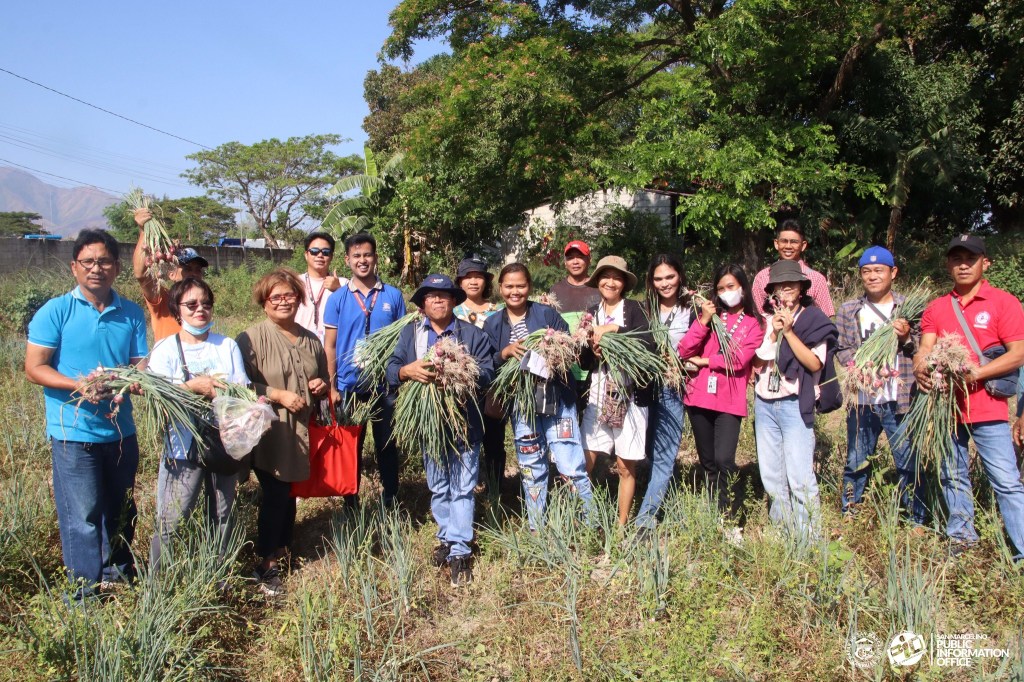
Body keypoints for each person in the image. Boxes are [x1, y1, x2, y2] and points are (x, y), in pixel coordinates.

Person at [25, 229, 148, 599]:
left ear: (116, 267)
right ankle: (83, 591)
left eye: (105, 261)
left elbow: (139, 364)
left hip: (120, 432)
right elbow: (35, 368)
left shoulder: (131, 313)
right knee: (81, 517)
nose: (97, 268)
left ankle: (118, 573)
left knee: (121, 508)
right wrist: (78, 385)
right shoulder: (55, 311)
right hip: (73, 432)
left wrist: (134, 381)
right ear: (74, 267)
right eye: (89, 262)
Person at [915, 235, 1024, 560]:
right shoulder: (937, 307)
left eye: (970, 258)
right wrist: (921, 367)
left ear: (984, 263)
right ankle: (962, 542)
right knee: (952, 475)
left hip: (988, 408)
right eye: (956, 258)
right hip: (947, 409)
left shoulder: (1004, 303)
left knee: (1006, 480)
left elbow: (1018, 354)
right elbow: (925, 347)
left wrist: (976, 373)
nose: (963, 264)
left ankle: (1021, 550)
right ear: (948, 264)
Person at [386, 274, 495, 586]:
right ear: (422, 303)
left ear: (454, 301)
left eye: (444, 295)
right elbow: (392, 368)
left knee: (462, 488)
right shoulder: (411, 334)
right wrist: (406, 371)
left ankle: (460, 550)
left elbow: (488, 372)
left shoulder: (471, 335)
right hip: (429, 426)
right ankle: (447, 538)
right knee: (439, 486)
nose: (437, 300)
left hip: (464, 425)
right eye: (431, 296)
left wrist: (461, 372)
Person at [237, 268, 330, 595]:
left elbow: (323, 381)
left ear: (299, 299)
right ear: (264, 303)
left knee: (288, 492)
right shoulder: (250, 339)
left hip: (301, 432)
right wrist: (277, 394)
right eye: (275, 297)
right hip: (269, 431)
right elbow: (240, 385)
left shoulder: (310, 339)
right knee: (276, 494)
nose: (283, 301)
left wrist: (320, 386)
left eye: (289, 295)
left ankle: (282, 548)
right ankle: (266, 562)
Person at [147, 278, 249, 566]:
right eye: (191, 305)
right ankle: (158, 580)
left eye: (205, 303)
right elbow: (158, 397)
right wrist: (193, 387)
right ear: (178, 311)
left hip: (222, 443)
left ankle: (216, 575)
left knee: (222, 514)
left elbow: (240, 390)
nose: (199, 310)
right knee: (173, 517)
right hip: (182, 446)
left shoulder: (226, 345)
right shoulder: (166, 349)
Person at [484, 263, 593, 529]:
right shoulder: (493, 323)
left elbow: (568, 349)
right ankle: (537, 526)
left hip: (558, 401)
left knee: (570, 464)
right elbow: (486, 363)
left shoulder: (546, 314)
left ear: (529, 286)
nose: (515, 291)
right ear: (500, 289)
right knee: (532, 467)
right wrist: (504, 353)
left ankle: (589, 522)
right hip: (522, 405)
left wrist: (551, 350)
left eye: (520, 285)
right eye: (509, 286)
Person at [835, 246, 926, 527]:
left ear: (893, 272)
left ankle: (915, 519)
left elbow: (924, 349)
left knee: (908, 461)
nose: (872, 276)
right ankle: (851, 512)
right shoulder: (849, 309)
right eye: (866, 271)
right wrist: (858, 368)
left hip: (901, 399)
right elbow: (842, 348)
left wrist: (908, 338)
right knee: (856, 460)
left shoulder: (908, 309)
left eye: (878, 270)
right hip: (863, 400)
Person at [752, 260, 838, 540]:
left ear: (802, 287)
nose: (786, 288)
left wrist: (789, 332)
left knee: (800, 477)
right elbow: (757, 361)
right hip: (765, 403)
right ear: (772, 289)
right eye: (780, 283)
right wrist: (774, 332)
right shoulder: (765, 319)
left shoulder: (814, 319)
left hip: (793, 404)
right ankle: (782, 533)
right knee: (772, 476)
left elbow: (814, 363)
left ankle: (810, 539)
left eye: (791, 283)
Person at [677, 264, 763, 534]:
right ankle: (716, 514)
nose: (726, 293)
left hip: (728, 400)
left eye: (731, 287)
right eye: (721, 289)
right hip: (699, 397)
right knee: (709, 462)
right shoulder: (709, 318)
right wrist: (702, 321)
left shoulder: (754, 324)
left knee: (725, 459)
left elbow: (738, 360)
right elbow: (684, 349)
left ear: (743, 288)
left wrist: (704, 361)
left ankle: (730, 518)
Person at [324, 232, 406, 507]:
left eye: (367, 255)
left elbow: (402, 341)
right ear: (347, 260)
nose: (362, 261)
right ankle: (350, 501)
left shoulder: (392, 296)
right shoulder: (337, 299)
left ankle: (390, 497)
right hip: (350, 384)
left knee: (386, 444)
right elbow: (331, 346)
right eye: (356, 256)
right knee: (351, 446)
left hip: (385, 385)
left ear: (375, 258)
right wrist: (332, 386)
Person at [579, 256, 654, 526]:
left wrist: (614, 329)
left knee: (625, 465)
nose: (611, 282)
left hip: (630, 396)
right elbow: (584, 362)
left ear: (624, 283)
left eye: (617, 277)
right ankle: (584, 516)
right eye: (605, 276)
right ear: (598, 280)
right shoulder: (591, 312)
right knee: (586, 459)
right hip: (598, 394)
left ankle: (621, 525)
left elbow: (648, 344)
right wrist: (592, 350)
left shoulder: (635, 309)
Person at [635, 254, 692, 531]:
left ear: (679, 275)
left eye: (669, 276)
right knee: (646, 449)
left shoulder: (693, 310)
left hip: (674, 387)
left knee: (665, 453)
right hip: (645, 386)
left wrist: (680, 361)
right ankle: (660, 496)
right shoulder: (645, 310)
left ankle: (645, 519)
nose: (664, 283)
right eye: (658, 278)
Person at [453, 255, 507, 491]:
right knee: (464, 438)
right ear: (460, 282)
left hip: (493, 384)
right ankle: (466, 486)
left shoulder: (500, 311)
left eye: (479, 277)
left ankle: (496, 487)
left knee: (494, 438)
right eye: (468, 277)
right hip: (460, 388)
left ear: (486, 282)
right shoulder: (450, 310)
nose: (473, 282)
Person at [132, 207, 209, 342]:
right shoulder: (162, 299)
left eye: (198, 270)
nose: (194, 274)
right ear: (171, 274)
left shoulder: (203, 303)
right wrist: (143, 231)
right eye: (188, 269)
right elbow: (142, 275)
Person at [751, 219, 835, 316]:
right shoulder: (762, 277)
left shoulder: (817, 279)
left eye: (794, 242)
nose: (788, 246)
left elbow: (825, 318)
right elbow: (757, 317)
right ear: (776, 243)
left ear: (803, 246)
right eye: (784, 241)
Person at [295, 232, 346, 343]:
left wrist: (338, 290)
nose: (320, 255)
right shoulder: (294, 283)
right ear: (306, 255)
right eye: (314, 251)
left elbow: (354, 313)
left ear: (331, 256)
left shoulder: (343, 284)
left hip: (331, 347)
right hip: (300, 345)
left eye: (325, 252)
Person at [549, 239, 600, 313]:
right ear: (565, 263)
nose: (575, 262)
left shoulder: (599, 288)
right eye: (570, 258)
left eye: (580, 257)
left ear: (589, 260)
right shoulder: (556, 290)